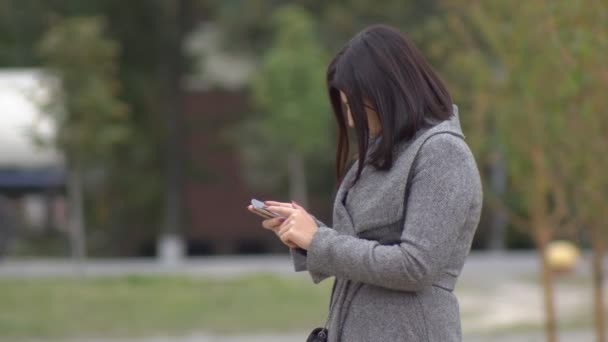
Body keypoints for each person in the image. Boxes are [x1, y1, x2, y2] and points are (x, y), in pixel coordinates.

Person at [247, 24, 482, 342]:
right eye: (345, 108)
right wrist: (305, 234)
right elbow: (362, 245)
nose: (351, 120)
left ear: (389, 93)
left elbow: (416, 266)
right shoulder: (385, 150)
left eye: (354, 106)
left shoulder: (442, 153)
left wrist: (319, 240)